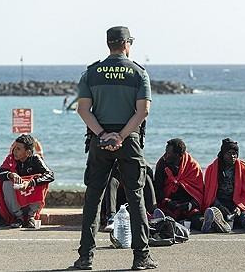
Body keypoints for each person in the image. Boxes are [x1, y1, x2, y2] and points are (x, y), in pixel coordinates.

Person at [74, 26, 156, 270]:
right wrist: (120, 136)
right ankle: (141, 257)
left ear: (109, 44)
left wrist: (102, 135)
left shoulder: (91, 73)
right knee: (136, 197)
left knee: (93, 199)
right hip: (128, 139)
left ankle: (86, 257)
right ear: (126, 44)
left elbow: (83, 110)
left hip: (99, 140)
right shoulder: (138, 73)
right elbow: (143, 111)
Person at [0, 134, 54, 228]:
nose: (14, 151)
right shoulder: (10, 159)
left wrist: (30, 183)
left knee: (40, 179)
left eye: (18, 149)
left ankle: (31, 217)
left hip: (31, 203)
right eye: (15, 148)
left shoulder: (35, 159)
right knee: (6, 181)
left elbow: (50, 175)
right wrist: (10, 174)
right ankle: (19, 218)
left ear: (28, 152)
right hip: (17, 206)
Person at [202, 138, 245, 233]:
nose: (232, 156)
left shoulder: (244, 168)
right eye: (229, 153)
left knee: (243, 216)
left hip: (237, 202)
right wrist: (219, 205)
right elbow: (209, 192)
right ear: (223, 154)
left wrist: (239, 207)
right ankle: (221, 224)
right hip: (219, 203)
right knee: (214, 213)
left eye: (234, 153)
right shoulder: (212, 168)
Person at [153, 138, 204, 230]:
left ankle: (210, 222)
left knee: (198, 220)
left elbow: (198, 192)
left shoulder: (193, 166)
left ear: (179, 155)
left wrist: (190, 204)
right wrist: (168, 202)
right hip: (169, 204)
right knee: (164, 219)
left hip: (187, 204)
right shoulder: (162, 164)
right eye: (165, 152)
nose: (165, 156)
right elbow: (158, 188)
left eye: (169, 153)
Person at [102, 162, 157, 232]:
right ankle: (111, 218)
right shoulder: (113, 167)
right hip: (118, 203)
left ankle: (152, 214)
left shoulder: (138, 163)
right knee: (112, 181)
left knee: (146, 176)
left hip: (133, 200)